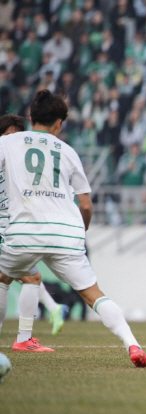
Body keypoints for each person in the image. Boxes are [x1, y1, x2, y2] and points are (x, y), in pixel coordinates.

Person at [0, 90, 146, 367]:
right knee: (94, 294)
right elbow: (85, 205)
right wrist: (79, 235)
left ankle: (16, 342)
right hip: (66, 233)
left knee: (2, 278)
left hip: (24, 230)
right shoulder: (68, 152)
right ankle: (133, 344)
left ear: (32, 117)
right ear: (59, 124)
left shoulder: (9, 142)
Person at [0, 114, 69, 340]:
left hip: (14, 227)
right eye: (8, 135)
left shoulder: (21, 167)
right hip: (5, 229)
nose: (13, 140)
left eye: (16, 136)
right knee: (23, 278)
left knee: (10, 278)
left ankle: (28, 333)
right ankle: (25, 337)